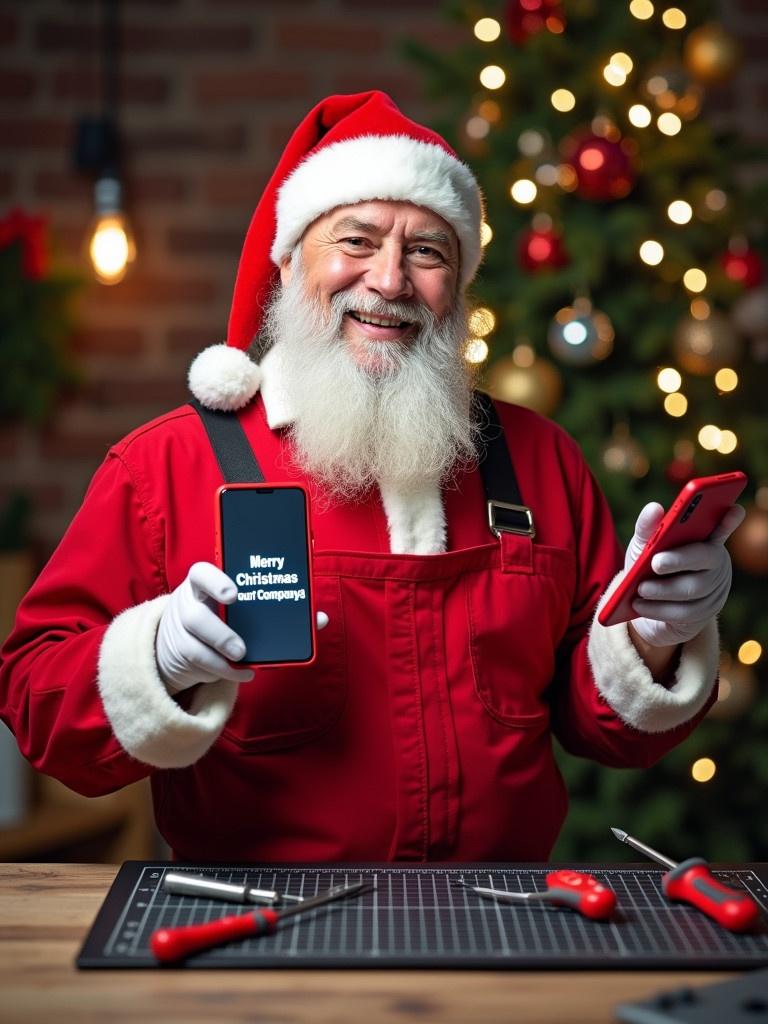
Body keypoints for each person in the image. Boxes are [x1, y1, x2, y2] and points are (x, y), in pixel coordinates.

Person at [0, 92, 743, 862]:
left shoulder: (538, 459)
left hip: (499, 922)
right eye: (356, 240)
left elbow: (603, 729)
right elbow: (36, 705)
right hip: (262, 933)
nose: (388, 281)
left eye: (427, 251)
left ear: (456, 287)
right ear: (289, 264)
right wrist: (156, 657)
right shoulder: (165, 466)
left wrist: (656, 639)